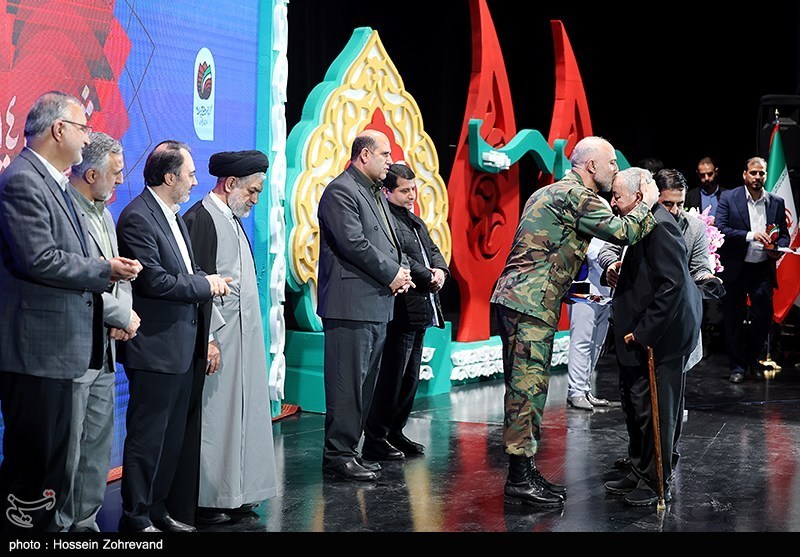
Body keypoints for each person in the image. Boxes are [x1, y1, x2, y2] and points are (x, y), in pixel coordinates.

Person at [490, 136, 659, 508]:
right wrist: (647, 200)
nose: (615, 169)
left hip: (522, 300)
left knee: (529, 389)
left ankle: (525, 469)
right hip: (530, 303)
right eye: (611, 163)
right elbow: (626, 231)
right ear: (592, 166)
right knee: (526, 391)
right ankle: (518, 479)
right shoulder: (577, 196)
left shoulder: (548, 192)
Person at [0, 91, 140, 532]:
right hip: (39, 355)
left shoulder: (53, 182)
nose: (87, 138)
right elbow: (39, 259)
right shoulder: (23, 180)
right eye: (83, 128)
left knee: (55, 472)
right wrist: (105, 269)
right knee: (33, 474)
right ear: (58, 129)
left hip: (62, 352)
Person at [115, 140, 231, 532]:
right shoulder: (138, 217)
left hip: (183, 346)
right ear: (169, 177)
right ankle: (135, 516)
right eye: (190, 174)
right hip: (156, 349)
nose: (195, 182)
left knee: (171, 438)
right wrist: (206, 284)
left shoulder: (174, 215)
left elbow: (187, 269)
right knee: (148, 437)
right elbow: (155, 282)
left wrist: (205, 281)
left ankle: (158, 509)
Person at [183, 150, 278, 525]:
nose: (255, 200)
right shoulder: (201, 219)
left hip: (244, 341)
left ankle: (237, 492)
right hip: (219, 342)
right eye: (252, 191)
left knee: (242, 417)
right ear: (231, 183)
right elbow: (198, 283)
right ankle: (210, 499)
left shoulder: (233, 219)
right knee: (216, 420)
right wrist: (208, 338)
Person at [602, 167, 702, 506]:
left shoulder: (661, 225)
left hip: (661, 340)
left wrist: (643, 334)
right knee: (637, 408)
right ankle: (639, 468)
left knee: (658, 414)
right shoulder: (640, 222)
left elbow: (673, 286)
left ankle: (657, 480)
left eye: (617, 196)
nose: (613, 202)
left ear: (637, 197)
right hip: (639, 336)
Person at [317, 129, 413, 481]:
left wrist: (402, 271)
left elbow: (389, 241)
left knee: (363, 386)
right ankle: (337, 455)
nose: (390, 161)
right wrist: (393, 274)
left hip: (375, 304)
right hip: (350, 306)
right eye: (385, 154)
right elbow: (353, 244)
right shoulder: (340, 191)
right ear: (364, 155)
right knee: (346, 385)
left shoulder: (373, 192)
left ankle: (350, 451)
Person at [56, 132, 141, 532]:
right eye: (116, 172)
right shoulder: (62, 211)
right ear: (91, 174)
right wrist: (120, 315)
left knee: (97, 445)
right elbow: (71, 279)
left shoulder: (105, 214)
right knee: (67, 447)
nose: (122, 179)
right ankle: (58, 525)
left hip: (104, 349)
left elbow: (118, 272)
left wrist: (123, 314)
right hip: (71, 347)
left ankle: (85, 522)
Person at [362, 163, 448, 459]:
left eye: (413, 189)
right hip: (400, 311)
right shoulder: (386, 221)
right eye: (404, 190)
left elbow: (433, 250)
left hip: (420, 310)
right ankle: (376, 437)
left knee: (409, 378)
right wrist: (428, 277)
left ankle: (395, 432)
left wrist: (441, 271)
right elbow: (400, 259)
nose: (412, 195)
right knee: (391, 377)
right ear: (387, 192)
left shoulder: (414, 220)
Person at [716, 157, 790, 383]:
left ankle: (752, 360)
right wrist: (751, 236)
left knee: (763, 317)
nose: (757, 177)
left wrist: (778, 249)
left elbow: (784, 234)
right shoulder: (729, 197)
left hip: (762, 269)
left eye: (761, 173)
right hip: (736, 268)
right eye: (753, 173)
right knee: (733, 318)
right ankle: (737, 367)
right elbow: (720, 228)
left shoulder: (776, 202)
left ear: (766, 175)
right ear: (745, 174)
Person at [565, 236, 616, 411]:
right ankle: (576, 391)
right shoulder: (586, 220)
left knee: (596, 342)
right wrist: (608, 257)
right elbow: (583, 245)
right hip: (583, 285)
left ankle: (585, 388)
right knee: (582, 340)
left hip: (606, 288)